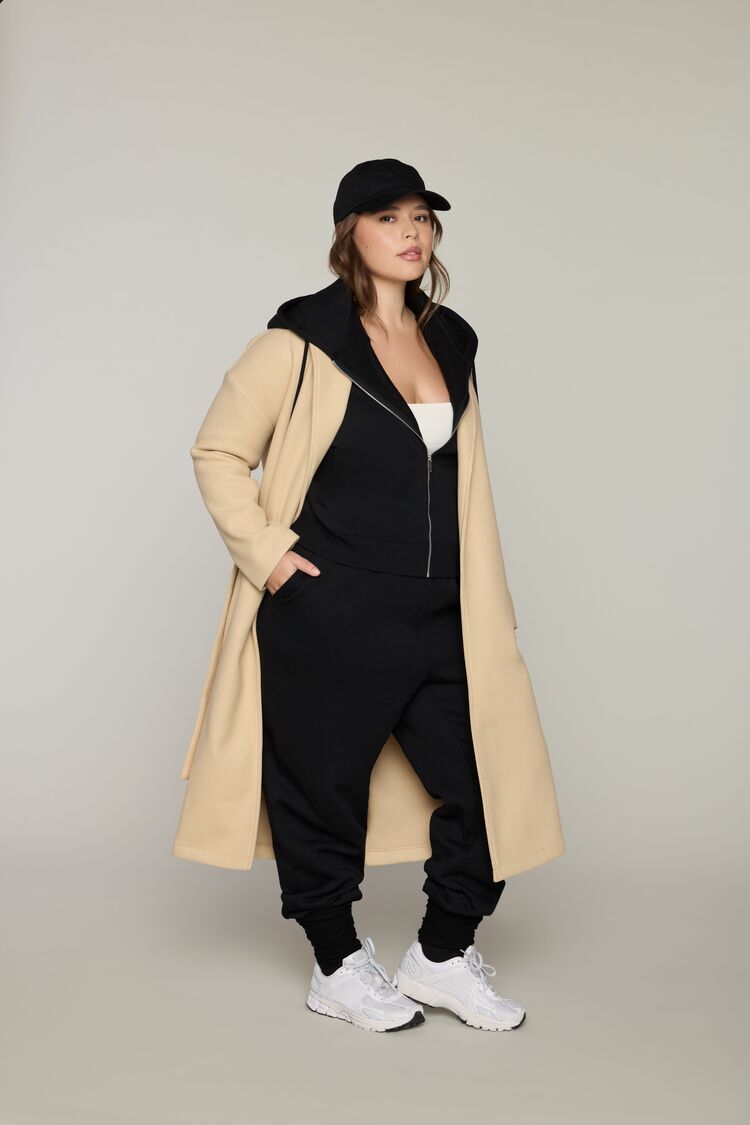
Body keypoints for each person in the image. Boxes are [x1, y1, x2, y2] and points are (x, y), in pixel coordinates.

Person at [178, 157, 565, 1033]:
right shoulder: (300, 339)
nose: (411, 232)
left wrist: (484, 594)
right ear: (348, 232)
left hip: (444, 607)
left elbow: (461, 480)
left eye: (422, 217)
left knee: (489, 783)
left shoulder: (451, 338)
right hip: (331, 606)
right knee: (322, 791)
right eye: (389, 217)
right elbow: (218, 451)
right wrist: (272, 557)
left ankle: (440, 955)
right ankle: (335, 963)